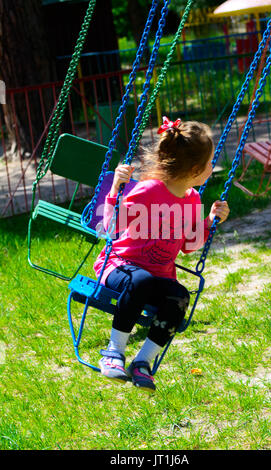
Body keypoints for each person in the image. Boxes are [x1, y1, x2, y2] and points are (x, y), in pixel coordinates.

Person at [94, 117, 230, 393]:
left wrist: (210, 222)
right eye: (209, 162)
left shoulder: (192, 199)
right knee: (141, 281)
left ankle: (142, 362)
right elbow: (107, 227)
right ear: (194, 169)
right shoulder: (148, 190)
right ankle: (114, 352)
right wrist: (114, 192)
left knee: (179, 296)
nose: (212, 167)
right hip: (119, 266)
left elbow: (189, 245)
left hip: (156, 276)